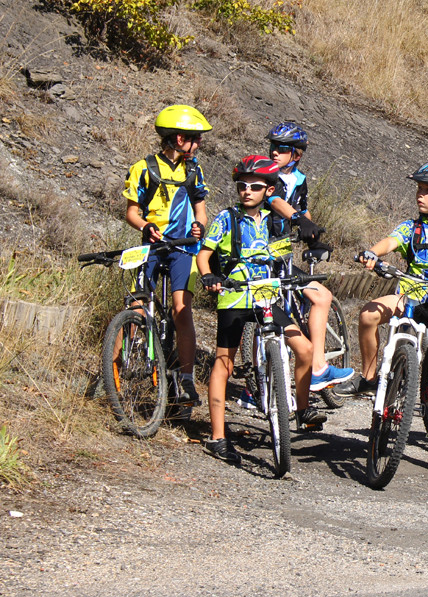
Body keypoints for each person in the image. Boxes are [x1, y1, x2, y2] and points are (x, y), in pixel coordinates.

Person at [338, 161, 428, 479]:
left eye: (427, 190)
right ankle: (369, 374)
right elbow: (386, 244)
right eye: (418, 189)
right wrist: (370, 255)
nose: (419, 195)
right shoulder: (410, 228)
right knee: (368, 314)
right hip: (412, 300)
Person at [196, 156, 326, 465]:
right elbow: (205, 255)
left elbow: (290, 232)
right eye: (242, 186)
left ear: (268, 190)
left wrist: (312, 239)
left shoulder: (274, 220)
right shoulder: (226, 218)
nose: (247, 191)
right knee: (223, 364)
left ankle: (302, 408)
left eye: (255, 186)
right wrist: (207, 276)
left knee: (305, 349)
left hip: (267, 297)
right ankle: (217, 437)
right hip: (235, 297)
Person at [122, 104, 211, 410]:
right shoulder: (143, 168)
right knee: (137, 303)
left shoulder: (194, 170)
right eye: (193, 138)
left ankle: (186, 378)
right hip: (151, 245)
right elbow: (132, 212)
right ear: (176, 138)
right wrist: (145, 225)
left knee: (180, 308)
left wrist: (200, 225)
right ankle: (124, 363)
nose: (197, 143)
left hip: (184, 247)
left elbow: (200, 209)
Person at [264, 122, 352, 392]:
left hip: (283, 255)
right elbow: (274, 201)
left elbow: (303, 209)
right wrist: (298, 219)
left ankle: (317, 368)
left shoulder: (299, 180)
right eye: (272, 147)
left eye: (281, 149)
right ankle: (312, 368)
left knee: (321, 296)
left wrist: (311, 232)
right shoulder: (264, 174)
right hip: (260, 252)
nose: (274, 153)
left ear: (297, 155)